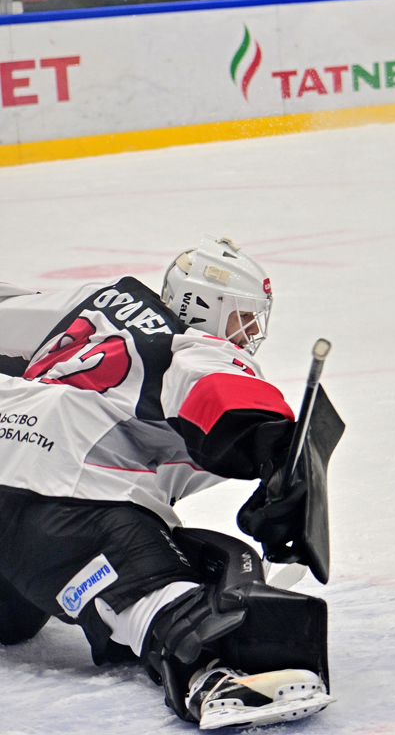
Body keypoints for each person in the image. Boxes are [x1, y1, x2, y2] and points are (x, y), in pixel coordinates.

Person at [0, 236, 334, 729]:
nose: (248, 333)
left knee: (14, 618)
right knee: (150, 587)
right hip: (66, 491)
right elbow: (224, 395)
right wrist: (276, 450)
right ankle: (212, 671)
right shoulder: (196, 346)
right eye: (242, 318)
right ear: (205, 306)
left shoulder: (93, 300)